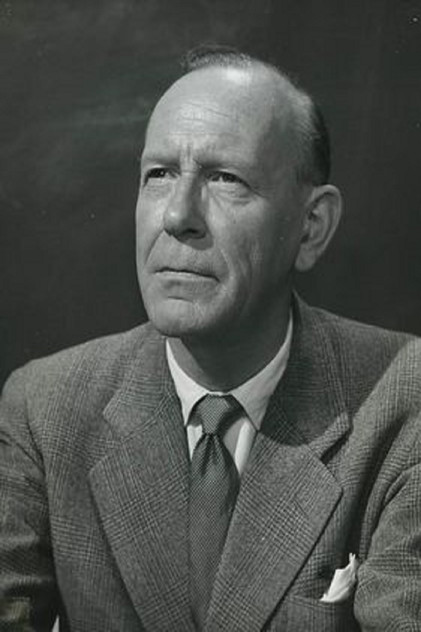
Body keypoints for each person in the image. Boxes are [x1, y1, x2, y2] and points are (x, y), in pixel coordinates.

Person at [0, 45, 420, 632]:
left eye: (225, 178)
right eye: (159, 174)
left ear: (311, 227)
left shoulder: (405, 401)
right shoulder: (45, 408)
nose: (178, 216)